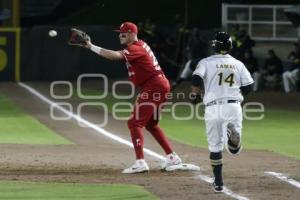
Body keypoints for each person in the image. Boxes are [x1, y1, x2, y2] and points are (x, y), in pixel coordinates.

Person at [81, 22, 183, 173]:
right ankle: (172, 158)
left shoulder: (136, 48)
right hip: (158, 84)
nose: (119, 35)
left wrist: (91, 46)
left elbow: (114, 56)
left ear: (131, 34)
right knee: (151, 125)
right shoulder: (139, 45)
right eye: (119, 33)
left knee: (134, 123)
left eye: (123, 33)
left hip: (155, 85)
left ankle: (140, 162)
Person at [190, 32, 254, 192]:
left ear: (214, 46)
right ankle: (234, 137)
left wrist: (194, 95)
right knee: (234, 150)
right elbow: (248, 88)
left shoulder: (205, 62)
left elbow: (196, 79)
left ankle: (218, 183)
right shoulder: (238, 64)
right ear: (230, 46)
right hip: (232, 106)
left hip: (212, 107)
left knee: (215, 146)